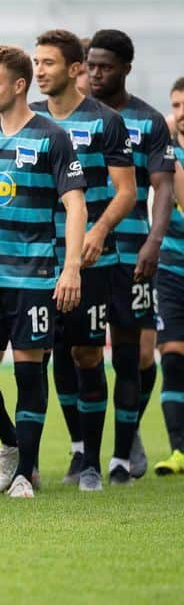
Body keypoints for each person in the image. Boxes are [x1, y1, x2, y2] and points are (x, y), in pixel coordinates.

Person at [0, 45, 86, 498]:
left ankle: (21, 474)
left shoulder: (52, 137)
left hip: (33, 279)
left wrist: (70, 266)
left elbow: (75, 204)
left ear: (18, 86)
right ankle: (12, 445)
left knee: (30, 373)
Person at [31, 29, 135, 491]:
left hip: (94, 259)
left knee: (88, 352)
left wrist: (97, 229)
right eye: (35, 62)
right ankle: (74, 450)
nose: (38, 71)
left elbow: (127, 192)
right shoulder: (28, 119)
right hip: (35, 256)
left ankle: (92, 460)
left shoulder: (105, 120)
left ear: (74, 70)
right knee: (45, 350)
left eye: (48, 63)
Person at [86, 29, 175, 482]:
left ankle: (123, 446)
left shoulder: (149, 121)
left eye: (105, 65)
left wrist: (154, 241)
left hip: (129, 252)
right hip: (80, 253)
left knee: (137, 356)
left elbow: (162, 187)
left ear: (126, 69)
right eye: (91, 63)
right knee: (76, 351)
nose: (96, 73)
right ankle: (85, 451)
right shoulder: (75, 118)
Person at [153, 77, 184, 475]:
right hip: (172, 268)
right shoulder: (168, 151)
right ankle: (178, 450)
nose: (180, 114)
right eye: (176, 105)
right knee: (172, 355)